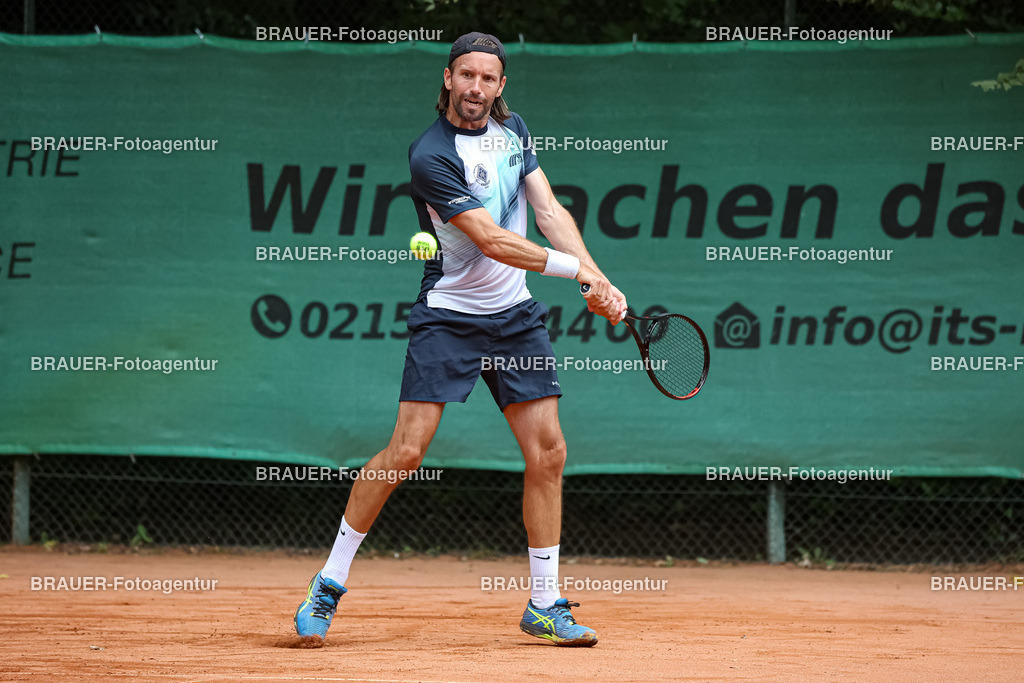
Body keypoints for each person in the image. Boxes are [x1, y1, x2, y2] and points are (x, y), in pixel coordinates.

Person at [294, 31, 627, 648]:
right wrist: (574, 271)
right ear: (448, 79)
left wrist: (599, 276)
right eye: (465, 75)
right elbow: (491, 241)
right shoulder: (430, 154)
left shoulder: (516, 132)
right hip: (448, 316)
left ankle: (545, 603)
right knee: (406, 454)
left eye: (488, 78)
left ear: (501, 86)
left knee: (548, 452)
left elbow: (549, 211)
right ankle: (329, 581)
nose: (476, 87)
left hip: (515, 316)